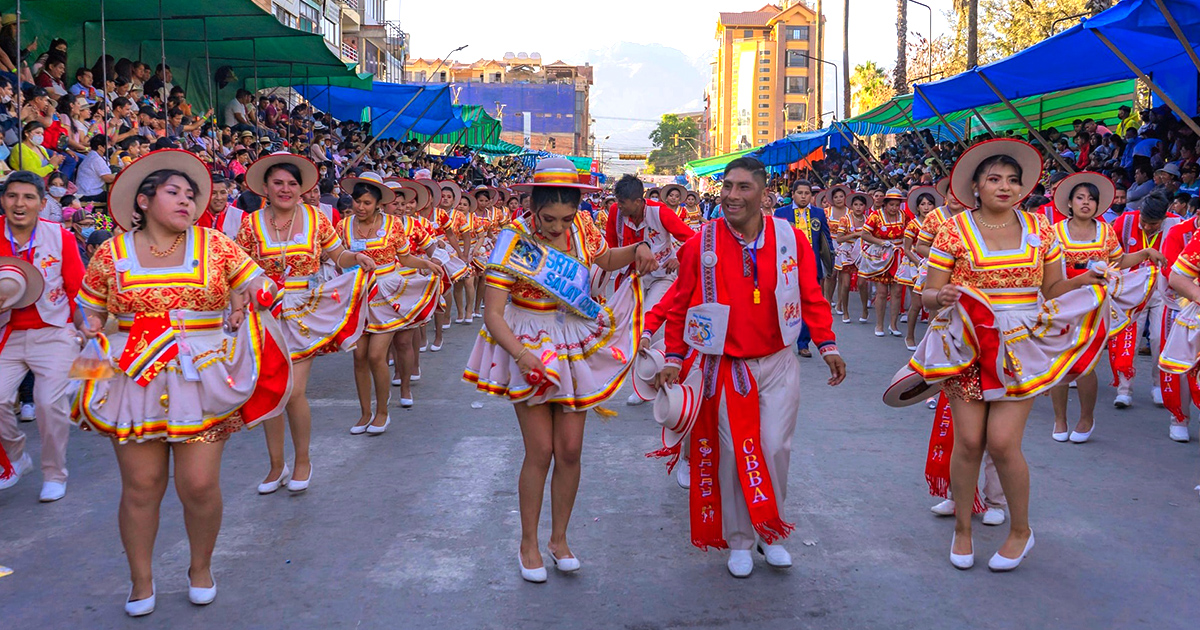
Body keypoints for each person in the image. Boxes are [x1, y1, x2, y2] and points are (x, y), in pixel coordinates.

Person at [72, 149, 288, 616]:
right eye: (174, 192)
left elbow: (262, 285)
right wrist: (89, 326)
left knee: (199, 484)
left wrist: (249, 300)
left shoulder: (217, 245)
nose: (186, 201)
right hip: (134, 377)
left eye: (192, 195)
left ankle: (200, 568)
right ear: (144, 201)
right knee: (141, 486)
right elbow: (89, 307)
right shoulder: (111, 253)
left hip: (201, 378)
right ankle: (141, 580)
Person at [904, 139, 1111, 572]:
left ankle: (1021, 531)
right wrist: (937, 295)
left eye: (1013, 180)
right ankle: (963, 529)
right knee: (969, 442)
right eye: (994, 179)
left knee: (1002, 443)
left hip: (1020, 349)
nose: (1005, 187)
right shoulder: (952, 231)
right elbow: (927, 295)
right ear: (975, 186)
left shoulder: (1042, 229)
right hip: (966, 347)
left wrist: (1084, 279)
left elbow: (1051, 290)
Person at [462, 157, 657, 583]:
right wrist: (520, 355)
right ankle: (528, 543)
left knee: (570, 450)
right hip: (527, 343)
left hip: (572, 341)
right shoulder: (512, 239)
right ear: (532, 208)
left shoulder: (583, 228)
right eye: (548, 218)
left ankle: (560, 539)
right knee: (541, 451)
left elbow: (604, 259)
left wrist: (637, 249)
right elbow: (493, 313)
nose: (556, 227)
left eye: (565, 218)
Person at [654, 156, 845, 578]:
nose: (731, 195)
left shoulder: (790, 238)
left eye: (743, 187)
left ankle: (769, 532)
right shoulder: (700, 243)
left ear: (764, 194)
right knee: (734, 455)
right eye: (727, 186)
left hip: (779, 361)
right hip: (726, 367)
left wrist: (826, 343)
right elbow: (680, 303)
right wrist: (672, 357)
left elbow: (811, 294)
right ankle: (740, 542)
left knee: (775, 447)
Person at [235, 152, 376, 495]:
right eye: (278, 183)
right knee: (270, 387)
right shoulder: (250, 224)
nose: (285, 189)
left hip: (305, 312)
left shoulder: (316, 218)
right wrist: (238, 306)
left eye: (292, 183)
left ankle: (302, 460)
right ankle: (275, 465)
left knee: (293, 391)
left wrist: (354, 257)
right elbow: (238, 273)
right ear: (265, 187)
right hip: (265, 314)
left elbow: (336, 255)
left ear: (302, 189)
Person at [1050, 173, 1165, 443]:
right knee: (1060, 364)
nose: (1086, 203)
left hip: (1094, 306)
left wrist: (1146, 254)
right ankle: (1060, 418)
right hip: (1062, 304)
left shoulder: (1104, 231)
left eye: (1091, 198)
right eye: (1080, 197)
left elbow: (1119, 260)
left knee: (1086, 364)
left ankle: (1086, 417)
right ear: (1069, 203)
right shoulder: (1054, 232)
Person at [0, 171, 84, 503]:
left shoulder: (60, 236)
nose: (19, 204)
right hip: (6, 334)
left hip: (53, 332)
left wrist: (86, 328)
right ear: (3, 200)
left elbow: (76, 287)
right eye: (12, 196)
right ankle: (18, 456)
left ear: (42, 203)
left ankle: (54, 473)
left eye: (28, 197)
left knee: (49, 404)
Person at [335, 172, 441, 428]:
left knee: (376, 355)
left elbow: (404, 258)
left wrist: (426, 263)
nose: (361, 207)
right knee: (359, 356)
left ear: (378, 203)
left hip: (386, 295)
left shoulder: (393, 225)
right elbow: (337, 258)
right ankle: (364, 412)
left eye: (367, 203)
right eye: (357, 201)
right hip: (358, 295)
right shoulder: (343, 226)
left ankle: (382, 410)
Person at [605, 175, 695, 405]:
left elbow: (692, 239)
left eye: (623, 202)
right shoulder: (616, 212)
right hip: (632, 277)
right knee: (630, 330)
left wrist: (679, 258)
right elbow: (610, 245)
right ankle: (653, 379)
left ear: (638, 201)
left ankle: (648, 383)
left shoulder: (660, 212)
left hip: (661, 277)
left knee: (648, 327)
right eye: (618, 201)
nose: (619, 206)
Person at [1111, 192, 1179, 408]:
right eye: (1145, 222)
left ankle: (1159, 386)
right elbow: (1112, 253)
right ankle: (1124, 389)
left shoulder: (1175, 225)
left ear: (1164, 219)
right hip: (1132, 289)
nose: (1148, 227)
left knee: (1161, 339)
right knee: (1129, 338)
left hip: (1163, 290)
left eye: (1154, 224)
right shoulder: (1126, 221)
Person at [774, 180, 833, 357]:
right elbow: (775, 239)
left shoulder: (819, 213)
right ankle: (781, 341)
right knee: (785, 302)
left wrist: (830, 261)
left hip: (811, 265)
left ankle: (803, 343)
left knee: (808, 304)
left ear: (811, 195)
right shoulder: (781, 213)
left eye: (807, 193)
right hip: (787, 265)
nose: (803, 196)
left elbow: (825, 239)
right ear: (793, 194)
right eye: (800, 193)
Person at [859, 189, 912, 338]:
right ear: (885, 204)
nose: (894, 208)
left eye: (897, 205)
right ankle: (879, 324)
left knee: (896, 292)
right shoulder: (875, 216)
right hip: (881, 256)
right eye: (891, 205)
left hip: (898, 256)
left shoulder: (903, 216)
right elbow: (865, 234)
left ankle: (893, 325)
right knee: (881, 292)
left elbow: (908, 234)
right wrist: (882, 242)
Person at [900, 187, 942, 350]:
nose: (926, 207)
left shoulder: (939, 223)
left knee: (934, 305)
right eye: (923, 204)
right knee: (916, 304)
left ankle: (930, 341)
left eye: (929, 204)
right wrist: (919, 263)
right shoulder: (912, 225)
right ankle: (909, 336)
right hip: (918, 265)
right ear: (917, 207)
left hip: (936, 265)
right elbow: (908, 248)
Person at [833, 191, 871, 324]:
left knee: (862, 283)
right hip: (847, 253)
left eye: (861, 204)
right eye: (856, 204)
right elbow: (839, 239)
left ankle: (865, 309)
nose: (858, 207)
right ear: (851, 206)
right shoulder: (845, 219)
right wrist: (855, 235)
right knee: (845, 284)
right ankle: (845, 311)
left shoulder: (868, 219)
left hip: (863, 252)